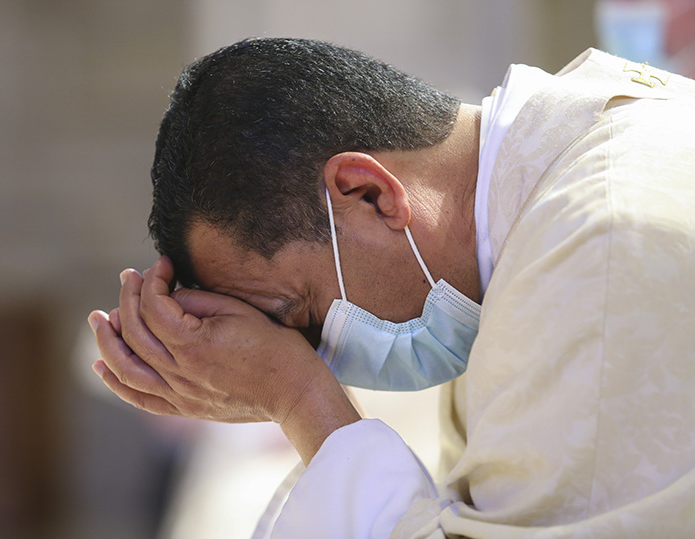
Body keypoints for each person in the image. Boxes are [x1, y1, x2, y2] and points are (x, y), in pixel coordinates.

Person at [87, 38, 695, 538]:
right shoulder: (558, 191)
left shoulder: (597, 246)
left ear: (368, 194)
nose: (320, 353)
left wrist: (299, 399)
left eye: (303, 317)